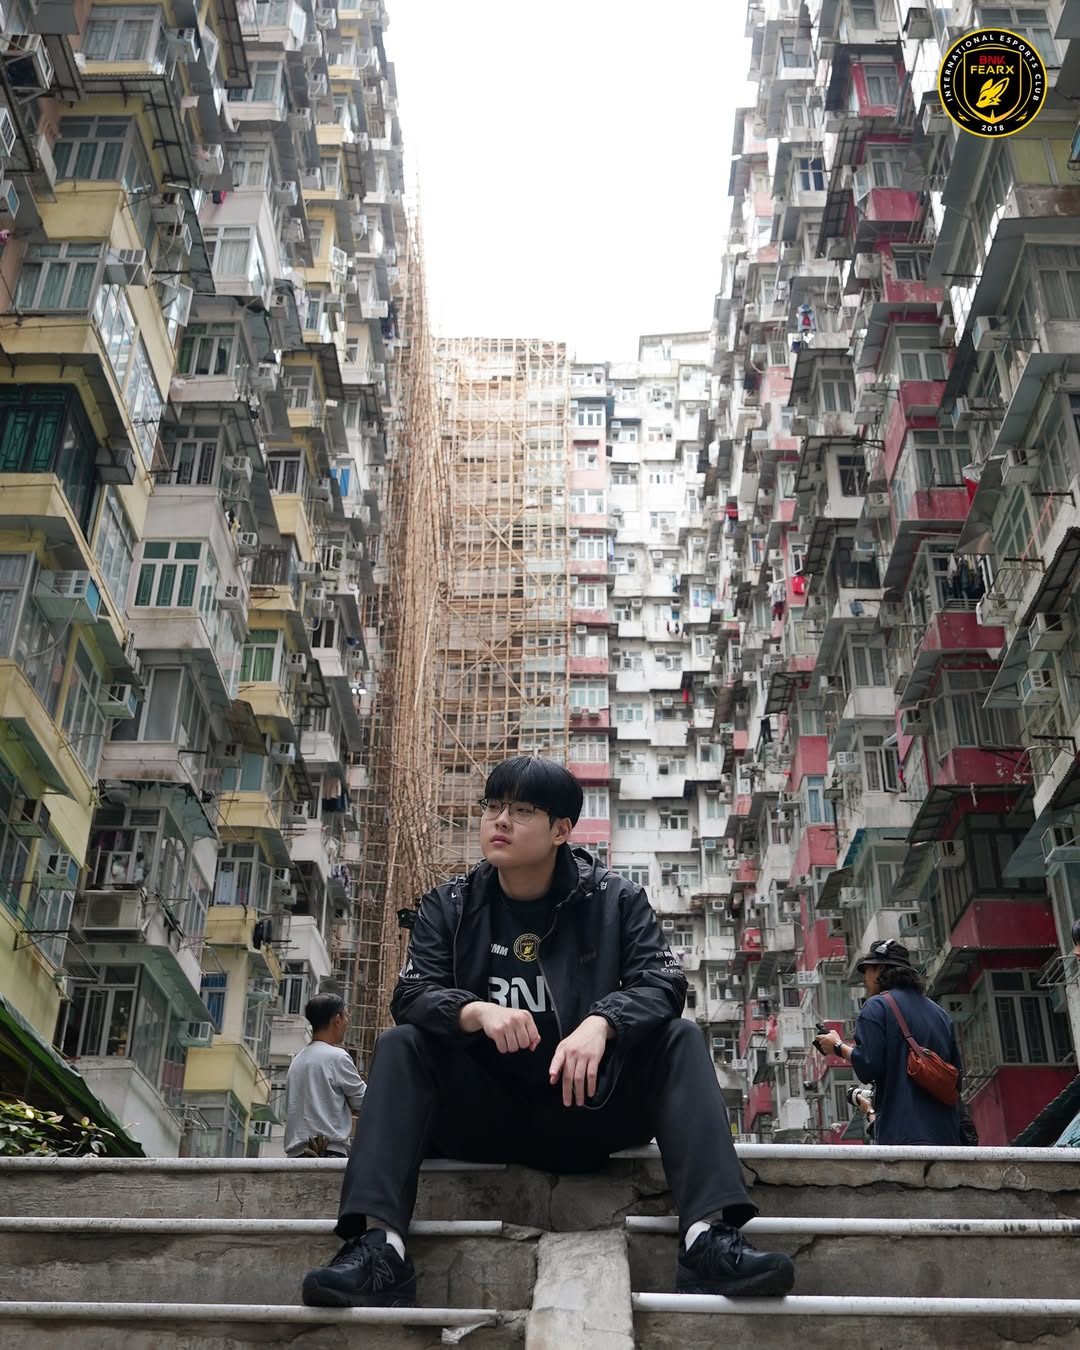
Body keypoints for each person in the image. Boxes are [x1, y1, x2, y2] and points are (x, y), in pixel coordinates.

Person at [301, 755, 796, 1308]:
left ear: (561, 830)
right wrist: (476, 1011)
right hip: (482, 1116)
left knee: (679, 1038)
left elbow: (662, 983)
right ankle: (379, 1249)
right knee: (401, 1043)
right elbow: (411, 995)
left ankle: (708, 1239)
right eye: (493, 806)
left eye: (521, 810)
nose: (500, 821)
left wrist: (603, 1022)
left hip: (587, 1109)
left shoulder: (615, 899)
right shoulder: (450, 905)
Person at [815, 938, 961, 1146]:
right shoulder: (940, 1014)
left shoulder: (876, 1007)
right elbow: (956, 1078)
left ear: (880, 970)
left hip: (903, 1137)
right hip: (947, 1138)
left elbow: (869, 1066)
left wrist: (838, 1047)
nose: (865, 978)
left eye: (867, 970)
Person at [284, 992, 367, 1159]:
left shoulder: (297, 1061)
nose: (346, 1022)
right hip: (328, 1153)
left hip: (296, 1157)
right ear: (337, 1019)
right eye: (345, 1016)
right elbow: (365, 1101)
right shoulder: (337, 1057)